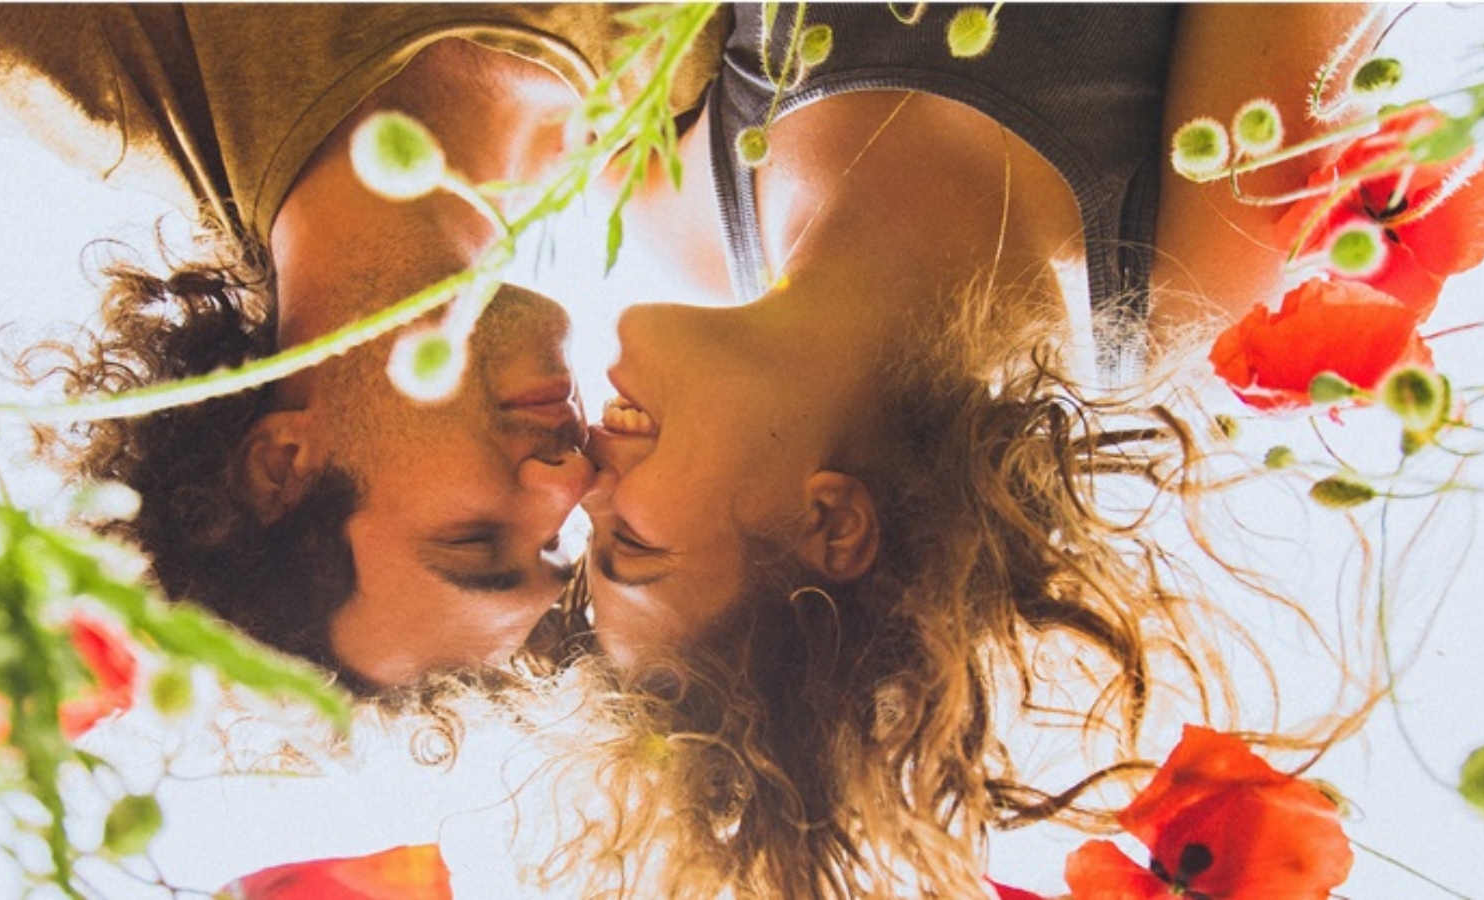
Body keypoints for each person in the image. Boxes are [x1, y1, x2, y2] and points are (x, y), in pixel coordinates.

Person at [570, 4, 1375, 897]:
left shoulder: (651, 195)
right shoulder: (1185, 275)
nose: (585, 483)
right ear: (830, 522)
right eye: (629, 542)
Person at [0, 5, 726, 691]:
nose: (572, 480)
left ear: (282, 464)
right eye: (555, 545)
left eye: (474, 542)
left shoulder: (101, 63)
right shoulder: (696, 150)